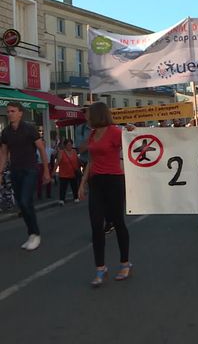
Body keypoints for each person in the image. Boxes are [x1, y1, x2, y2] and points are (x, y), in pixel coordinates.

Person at [78, 102, 132, 287]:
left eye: (88, 113)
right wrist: (82, 183)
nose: (86, 116)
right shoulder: (93, 134)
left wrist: (131, 132)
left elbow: (131, 145)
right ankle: (100, 268)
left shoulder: (114, 132)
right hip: (96, 182)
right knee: (96, 225)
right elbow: (92, 160)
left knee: (118, 222)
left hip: (114, 181)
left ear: (97, 115)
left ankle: (125, 263)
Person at [0, 102, 51, 250]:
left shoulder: (29, 129)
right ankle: (32, 234)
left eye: (13, 111)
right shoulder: (6, 132)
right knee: (22, 204)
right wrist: (1, 172)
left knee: (24, 200)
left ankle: (35, 233)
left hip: (30, 169)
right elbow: (3, 153)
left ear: (20, 113)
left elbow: (41, 149)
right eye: (8, 111)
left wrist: (46, 171)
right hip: (15, 170)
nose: (10, 114)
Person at [55, 138, 80, 205]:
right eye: (68, 145)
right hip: (64, 173)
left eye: (71, 144)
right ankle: (62, 200)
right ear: (65, 145)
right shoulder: (61, 152)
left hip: (73, 172)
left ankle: (76, 197)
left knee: (74, 186)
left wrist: (79, 167)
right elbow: (57, 162)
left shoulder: (74, 151)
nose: (70, 146)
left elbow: (77, 160)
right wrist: (53, 171)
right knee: (63, 187)